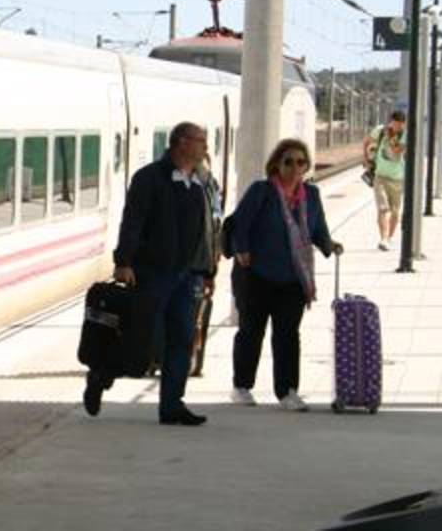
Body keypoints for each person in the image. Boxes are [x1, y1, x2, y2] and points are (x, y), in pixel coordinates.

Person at [86, 122, 216, 425]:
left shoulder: (198, 181)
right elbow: (133, 221)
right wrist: (124, 261)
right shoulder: (149, 179)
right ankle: (101, 376)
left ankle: (172, 404)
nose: (205, 148)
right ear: (181, 142)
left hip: (186, 275)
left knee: (182, 339)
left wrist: (207, 270)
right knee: (141, 342)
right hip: (152, 272)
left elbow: (206, 229)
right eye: (200, 141)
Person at [229, 138, 343, 412]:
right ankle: (242, 386)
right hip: (256, 275)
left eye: (300, 162)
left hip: (293, 278)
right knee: (251, 332)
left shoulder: (311, 196)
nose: (294, 167)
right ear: (277, 164)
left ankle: (287, 391)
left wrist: (329, 245)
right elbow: (240, 223)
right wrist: (242, 249)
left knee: (288, 335)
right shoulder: (262, 191)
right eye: (288, 161)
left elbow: (318, 230)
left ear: (307, 166)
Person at [363, 111, 406, 251]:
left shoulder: (405, 134)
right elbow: (366, 141)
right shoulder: (380, 130)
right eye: (395, 123)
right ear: (391, 121)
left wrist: (392, 136)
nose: (397, 126)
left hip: (397, 178)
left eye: (400, 124)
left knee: (395, 212)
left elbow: (397, 150)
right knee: (383, 208)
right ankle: (383, 239)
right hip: (380, 176)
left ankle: (389, 238)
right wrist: (366, 158)